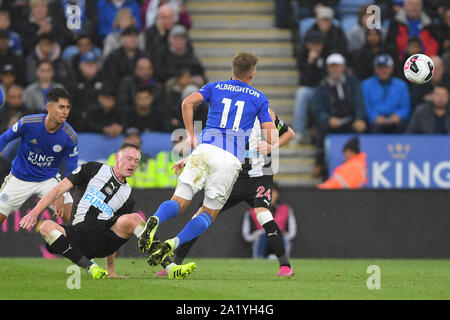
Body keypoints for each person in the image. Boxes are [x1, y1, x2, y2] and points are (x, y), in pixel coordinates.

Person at [137, 52, 280, 278]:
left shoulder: (214, 86)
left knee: (180, 200)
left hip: (204, 150)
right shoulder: (259, 98)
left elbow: (187, 102)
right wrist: (269, 145)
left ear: (232, 70)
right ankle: (173, 242)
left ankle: (155, 219)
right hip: (229, 159)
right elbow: (271, 137)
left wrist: (191, 136)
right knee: (208, 212)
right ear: (252, 74)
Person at [19, 143, 197, 280]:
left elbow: (114, 228)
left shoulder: (127, 196)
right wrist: (35, 212)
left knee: (135, 219)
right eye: (129, 158)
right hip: (77, 236)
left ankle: (171, 268)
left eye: (136, 161)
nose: (133, 164)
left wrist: (111, 270)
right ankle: (91, 267)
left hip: (102, 240)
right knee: (46, 226)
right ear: (117, 158)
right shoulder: (92, 169)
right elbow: (58, 189)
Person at [154, 110, 296, 277]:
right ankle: (174, 264)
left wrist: (272, 146)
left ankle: (285, 266)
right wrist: (190, 159)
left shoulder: (264, 113)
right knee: (202, 213)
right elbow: (210, 146)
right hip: (233, 176)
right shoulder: (226, 117)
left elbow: (289, 134)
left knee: (264, 215)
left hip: (259, 176)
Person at [0, 88, 77, 226]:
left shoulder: (70, 136)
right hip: (19, 178)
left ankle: (86, 247)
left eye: (67, 107)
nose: (65, 112)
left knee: (74, 217)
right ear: (49, 107)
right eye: (61, 107)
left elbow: (72, 169)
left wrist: (62, 193)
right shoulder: (28, 123)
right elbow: (4, 138)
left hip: (48, 180)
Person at [311, 53, 367, 177]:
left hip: (350, 120)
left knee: (364, 129)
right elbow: (317, 108)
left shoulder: (352, 83)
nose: (335, 69)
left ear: (343, 67)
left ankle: (363, 165)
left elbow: (359, 101)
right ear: (328, 69)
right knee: (321, 132)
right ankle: (320, 164)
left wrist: (360, 118)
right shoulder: (322, 86)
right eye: (332, 66)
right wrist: (327, 119)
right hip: (332, 122)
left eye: (338, 66)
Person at [242, 183, 297, 259]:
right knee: (265, 235)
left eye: (272, 192)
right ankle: (259, 258)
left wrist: (285, 235)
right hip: (260, 239)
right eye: (267, 193)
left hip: (280, 239)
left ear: (277, 194)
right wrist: (256, 235)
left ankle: (283, 261)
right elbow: (247, 235)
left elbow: (292, 232)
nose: (270, 195)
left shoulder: (286, 209)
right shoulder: (252, 211)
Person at [292, 29, 327, 143]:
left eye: (319, 44)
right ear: (308, 45)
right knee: (302, 93)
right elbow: (305, 80)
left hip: (327, 89)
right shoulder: (303, 56)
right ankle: (299, 132)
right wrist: (311, 63)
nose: (316, 47)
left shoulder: (328, 54)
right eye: (313, 44)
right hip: (312, 89)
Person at [361, 54, 411, 133]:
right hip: (375, 121)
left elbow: (405, 107)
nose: (383, 70)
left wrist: (399, 115)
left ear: (391, 69)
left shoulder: (401, 85)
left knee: (403, 127)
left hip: (396, 120)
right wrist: (374, 117)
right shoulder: (366, 85)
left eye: (386, 67)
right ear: (375, 69)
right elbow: (366, 106)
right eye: (380, 68)